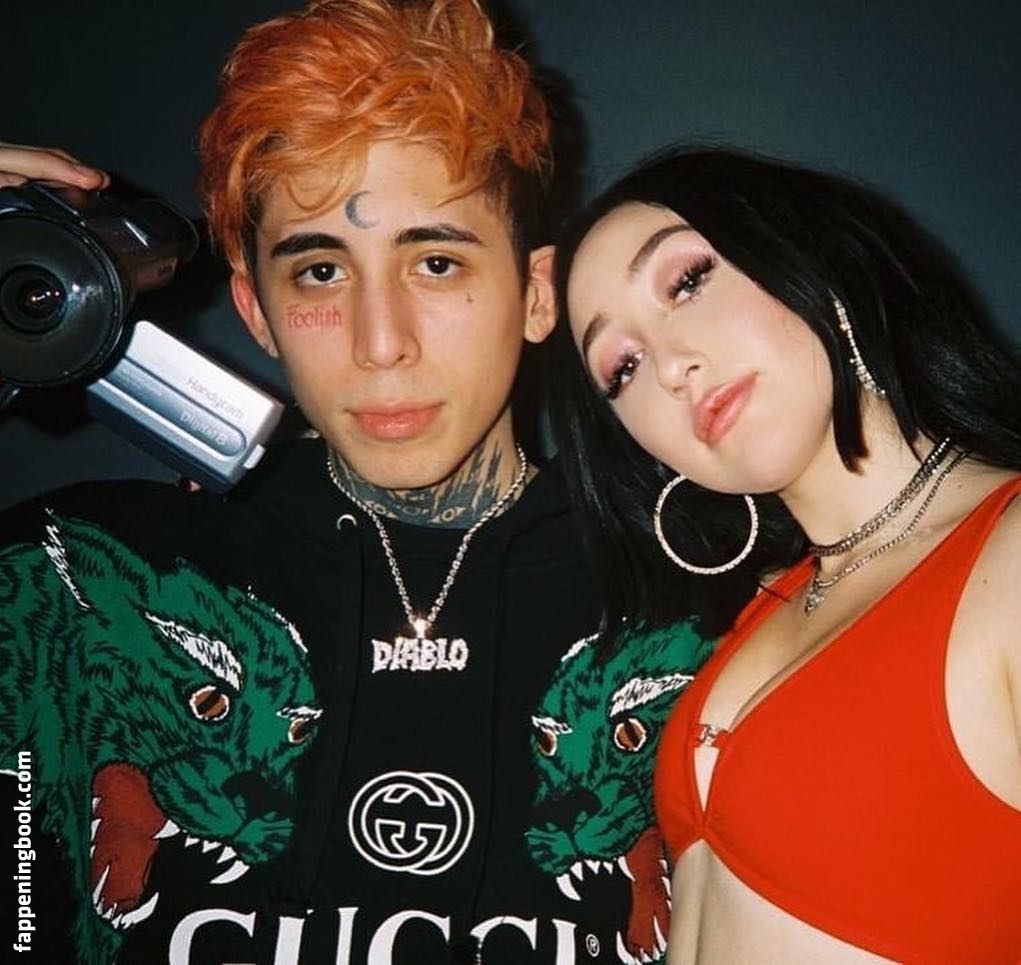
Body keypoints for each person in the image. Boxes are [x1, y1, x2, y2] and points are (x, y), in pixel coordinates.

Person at [0, 4, 722, 964]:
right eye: (320, 273)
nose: (382, 343)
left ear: (537, 293)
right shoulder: (75, 581)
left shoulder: (695, 606)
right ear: (256, 310)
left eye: (436, 262)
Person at [550, 146, 1021, 963]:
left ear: (814, 261)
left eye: (685, 281)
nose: (669, 368)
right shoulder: (767, 604)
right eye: (620, 367)